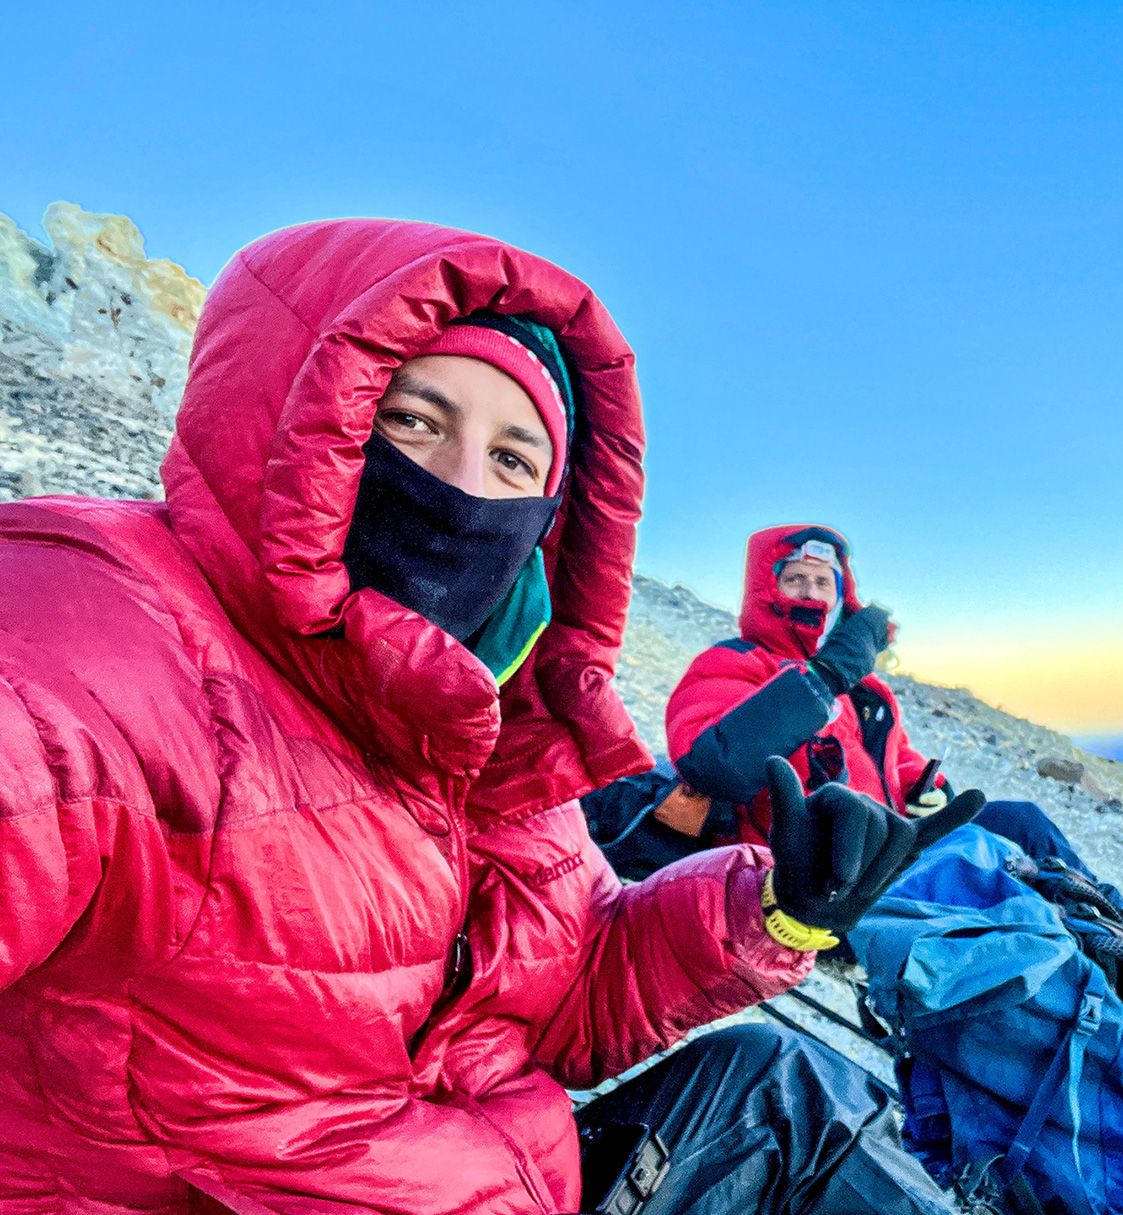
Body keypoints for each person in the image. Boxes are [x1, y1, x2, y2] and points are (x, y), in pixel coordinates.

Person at [0, 221, 976, 1214]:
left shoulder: (492, 720)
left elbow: (571, 985)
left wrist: (780, 911)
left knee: (789, 1083)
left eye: (514, 462)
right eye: (414, 423)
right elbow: (718, 760)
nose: (464, 486)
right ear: (307, 420)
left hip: (496, 1172)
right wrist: (822, 682)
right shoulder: (94, 640)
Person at [662, 523, 1123, 1014]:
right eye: (795, 579)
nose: (811, 595)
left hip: (888, 849)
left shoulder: (869, 691)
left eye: (824, 582)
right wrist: (826, 676)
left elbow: (897, 765)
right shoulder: (736, 665)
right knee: (985, 858)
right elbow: (715, 766)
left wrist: (928, 788)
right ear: (763, 591)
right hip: (816, 883)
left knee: (1022, 824)